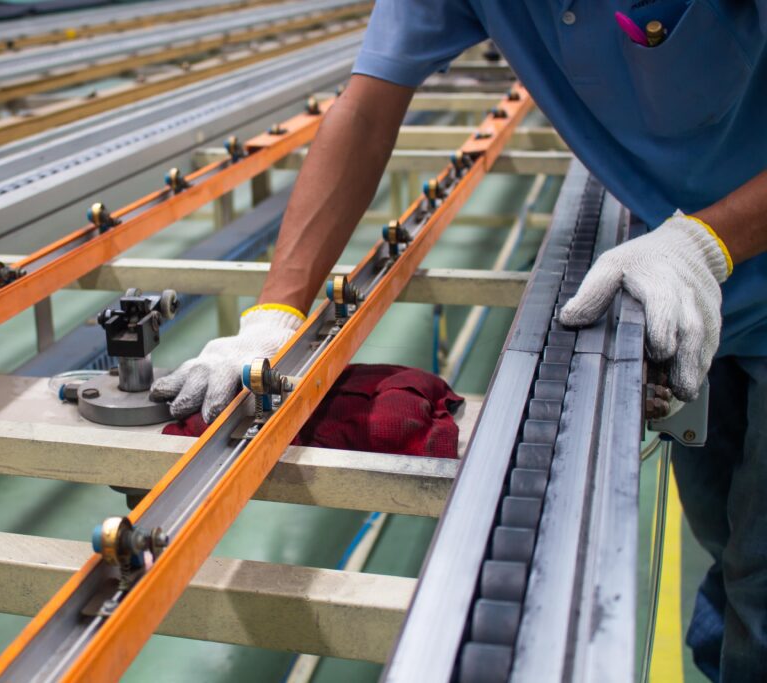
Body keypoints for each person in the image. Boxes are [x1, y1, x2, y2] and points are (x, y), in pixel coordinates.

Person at [149, 2, 767, 679]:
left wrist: (705, 242)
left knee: (759, 592)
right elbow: (366, 110)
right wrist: (275, 316)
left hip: (704, 259)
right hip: (690, 296)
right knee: (729, 545)